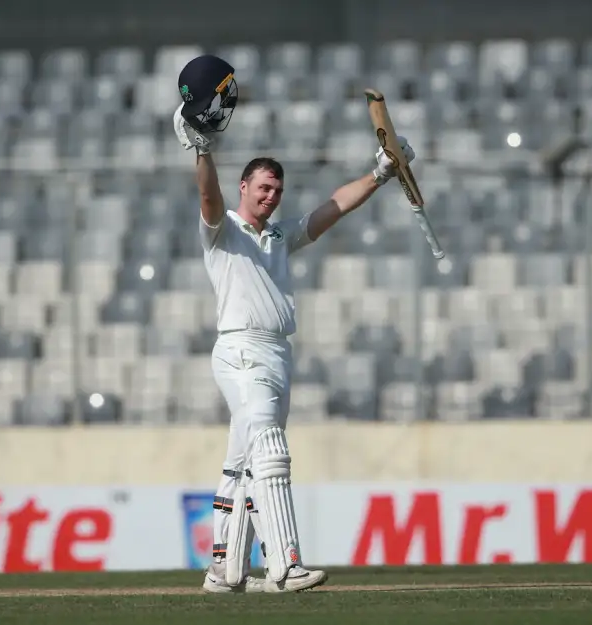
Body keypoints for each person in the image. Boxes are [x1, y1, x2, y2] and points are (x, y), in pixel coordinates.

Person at [172, 55, 416, 594]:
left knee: (241, 464)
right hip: (240, 353)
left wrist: (381, 171)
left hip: (277, 356)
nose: (270, 196)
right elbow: (207, 197)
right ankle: (284, 564)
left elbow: (332, 209)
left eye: (277, 190)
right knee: (271, 450)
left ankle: (224, 570)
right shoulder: (222, 231)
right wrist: (202, 151)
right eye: (262, 188)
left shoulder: (279, 236)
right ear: (244, 187)